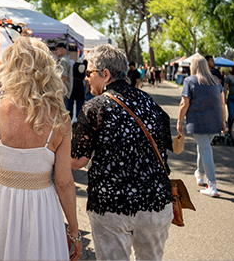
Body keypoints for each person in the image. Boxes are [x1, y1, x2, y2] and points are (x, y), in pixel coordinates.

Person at [0, 37, 81, 261]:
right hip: (41, 206)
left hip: (1, 202)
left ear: (9, 70)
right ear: (48, 71)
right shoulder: (60, 119)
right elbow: (64, 182)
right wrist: (74, 231)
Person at [71, 44, 173, 261]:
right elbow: (164, 147)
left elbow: (77, 161)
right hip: (155, 204)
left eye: (89, 73)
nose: (86, 78)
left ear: (105, 74)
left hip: (111, 206)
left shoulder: (94, 108)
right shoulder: (151, 104)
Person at [177, 54, 225, 197]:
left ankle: (212, 185)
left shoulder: (190, 81)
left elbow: (184, 104)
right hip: (214, 121)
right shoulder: (216, 81)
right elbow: (222, 103)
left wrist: (179, 121)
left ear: (194, 66)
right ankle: (200, 173)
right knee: (203, 148)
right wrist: (223, 121)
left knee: (205, 150)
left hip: (198, 122)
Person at [54, 42, 73, 111]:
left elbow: (63, 78)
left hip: (62, 92)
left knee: (61, 114)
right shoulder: (65, 59)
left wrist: (56, 90)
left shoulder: (62, 60)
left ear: (62, 49)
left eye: (56, 49)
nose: (55, 52)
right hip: (64, 92)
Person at [225, 63, 234, 140]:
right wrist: (224, 97)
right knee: (232, 116)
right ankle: (229, 129)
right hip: (232, 98)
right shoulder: (230, 77)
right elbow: (225, 88)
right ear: (233, 69)